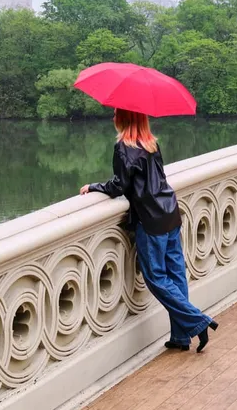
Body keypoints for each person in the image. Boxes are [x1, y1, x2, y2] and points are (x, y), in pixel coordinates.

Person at [80, 109, 218, 352]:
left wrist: (93, 186)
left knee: (156, 278)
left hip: (150, 220)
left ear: (124, 119)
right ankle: (181, 337)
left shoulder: (124, 147)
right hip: (170, 213)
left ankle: (197, 321)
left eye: (115, 114)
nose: (113, 118)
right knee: (175, 275)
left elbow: (118, 186)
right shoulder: (151, 143)